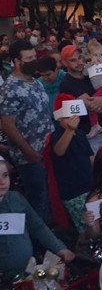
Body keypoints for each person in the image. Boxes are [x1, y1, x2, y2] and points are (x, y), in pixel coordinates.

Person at [0, 40, 55, 224]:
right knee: (37, 199)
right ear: (16, 61)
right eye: (29, 58)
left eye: (34, 57)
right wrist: (29, 153)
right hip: (30, 156)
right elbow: (8, 125)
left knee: (48, 193)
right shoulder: (10, 88)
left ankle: (50, 233)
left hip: (47, 150)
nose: (34, 61)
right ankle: (37, 244)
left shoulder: (35, 81)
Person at [0, 156, 74, 274]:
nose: (2, 182)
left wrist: (59, 248)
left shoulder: (16, 199)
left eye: (5, 175)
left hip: (28, 269)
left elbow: (37, 226)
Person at [60, 45, 102, 152]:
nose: (79, 62)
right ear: (65, 63)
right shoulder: (68, 83)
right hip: (95, 139)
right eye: (73, 60)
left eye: (80, 58)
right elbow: (93, 106)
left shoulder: (92, 70)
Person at [50, 94, 94, 237]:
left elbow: (91, 157)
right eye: (68, 117)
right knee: (84, 228)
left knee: (95, 224)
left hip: (90, 187)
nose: (72, 120)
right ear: (59, 119)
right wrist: (69, 130)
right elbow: (59, 151)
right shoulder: (56, 136)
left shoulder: (81, 134)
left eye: (74, 116)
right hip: (73, 193)